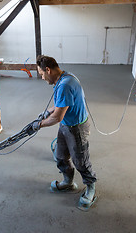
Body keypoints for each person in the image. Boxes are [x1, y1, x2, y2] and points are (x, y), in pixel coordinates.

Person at [31, 55, 97, 209]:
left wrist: (39, 124)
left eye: (41, 74)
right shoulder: (65, 76)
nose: (41, 77)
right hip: (66, 126)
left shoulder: (65, 84)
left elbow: (57, 117)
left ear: (48, 70)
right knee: (60, 156)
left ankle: (91, 187)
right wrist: (47, 111)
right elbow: (62, 104)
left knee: (81, 161)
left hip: (77, 128)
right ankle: (68, 182)